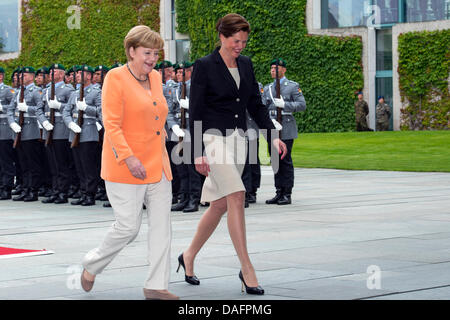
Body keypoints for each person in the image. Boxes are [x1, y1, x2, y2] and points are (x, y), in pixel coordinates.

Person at [179, 13, 287, 295]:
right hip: (212, 139)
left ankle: (188, 255)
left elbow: (255, 103)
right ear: (222, 37)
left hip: (239, 141)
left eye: (244, 41)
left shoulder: (246, 64)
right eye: (236, 41)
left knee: (220, 205)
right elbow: (197, 110)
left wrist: (272, 135)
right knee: (237, 196)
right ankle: (247, 268)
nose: (240, 46)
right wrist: (197, 152)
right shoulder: (204, 66)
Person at [80, 25, 178, 300]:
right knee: (128, 228)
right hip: (125, 165)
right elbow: (111, 123)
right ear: (132, 51)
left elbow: (158, 117)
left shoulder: (157, 78)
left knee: (162, 227)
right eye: (147, 52)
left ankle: (156, 285)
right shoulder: (115, 78)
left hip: (158, 165)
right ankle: (92, 265)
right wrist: (130, 157)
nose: (152, 58)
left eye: (156, 53)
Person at [263, 58, 306, 205]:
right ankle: (278, 192)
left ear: (284, 70)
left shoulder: (292, 86)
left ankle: (287, 193)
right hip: (273, 126)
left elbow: (302, 105)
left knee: (285, 160)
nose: (273, 70)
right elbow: (263, 106)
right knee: (275, 160)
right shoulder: (268, 88)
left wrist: (285, 105)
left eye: (276, 68)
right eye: (272, 68)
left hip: (286, 127)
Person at [63, 65, 102, 206]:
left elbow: (100, 111)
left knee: (88, 165)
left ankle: (90, 194)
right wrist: (70, 124)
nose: (78, 75)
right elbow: (66, 112)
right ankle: (83, 191)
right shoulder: (74, 93)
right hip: (75, 132)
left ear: (90, 76)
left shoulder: (96, 92)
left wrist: (86, 108)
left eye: (82, 73)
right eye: (77, 73)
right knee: (79, 165)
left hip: (88, 132)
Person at [36, 63, 75, 204]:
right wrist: (44, 122)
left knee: (61, 163)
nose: (51, 74)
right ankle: (56, 190)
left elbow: (73, 107)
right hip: (49, 130)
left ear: (61, 74)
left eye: (55, 72)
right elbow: (38, 109)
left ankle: (63, 192)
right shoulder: (46, 91)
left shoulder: (68, 89)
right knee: (52, 164)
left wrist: (59, 106)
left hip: (61, 130)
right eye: (51, 71)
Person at [167, 61, 202, 213]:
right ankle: (183, 197)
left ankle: (194, 198)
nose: (179, 75)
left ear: (190, 72)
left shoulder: (197, 87)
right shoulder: (174, 90)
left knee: (191, 167)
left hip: (192, 131)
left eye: (182, 72)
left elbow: (204, 109)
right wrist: (173, 126)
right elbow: (168, 111)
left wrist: (191, 106)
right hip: (178, 133)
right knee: (180, 167)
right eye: (178, 72)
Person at [7, 67, 45, 202]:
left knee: (32, 163)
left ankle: (33, 190)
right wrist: (12, 123)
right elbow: (10, 110)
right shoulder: (18, 92)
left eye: (24, 75)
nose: (21, 78)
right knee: (23, 163)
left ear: (31, 77)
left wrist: (27, 108)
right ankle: (25, 188)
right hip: (19, 132)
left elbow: (42, 108)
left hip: (31, 131)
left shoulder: (36, 91)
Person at [0, 67, 16, 200]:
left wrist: (2, 107)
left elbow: (13, 105)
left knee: (5, 160)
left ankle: (7, 188)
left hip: (4, 129)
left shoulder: (7, 90)